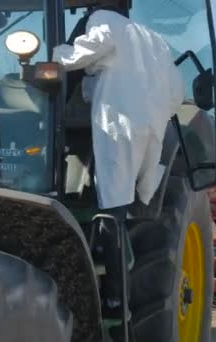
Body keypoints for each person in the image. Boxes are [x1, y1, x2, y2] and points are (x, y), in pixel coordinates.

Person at [52, 5, 184, 317]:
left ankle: (114, 297)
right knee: (136, 195)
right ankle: (117, 289)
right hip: (151, 129)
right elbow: (176, 92)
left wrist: (55, 55)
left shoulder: (104, 21)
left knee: (112, 203)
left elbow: (86, 51)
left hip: (118, 124)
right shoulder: (155, 41)